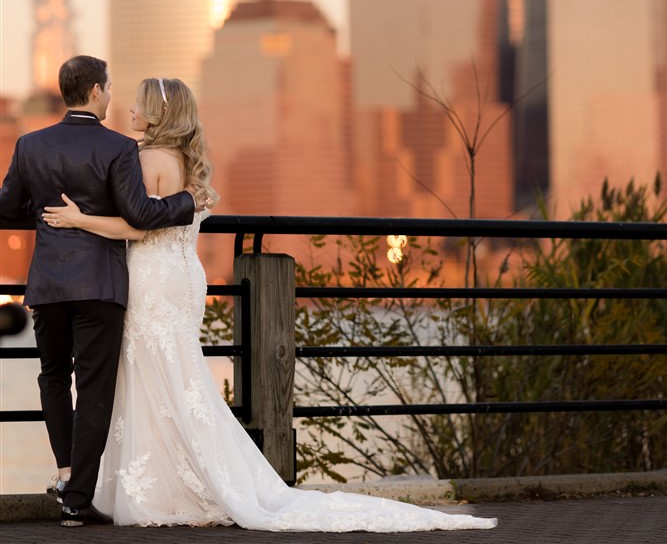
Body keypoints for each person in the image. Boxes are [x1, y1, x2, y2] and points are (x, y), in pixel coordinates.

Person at [43, 76, 497, 533]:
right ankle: (193, 476)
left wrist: (79, 218)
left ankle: (159, 486)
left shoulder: (144, 159)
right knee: (178, 376)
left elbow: (138, 226)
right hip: (185, 279)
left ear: (159, 114)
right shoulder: (188, 162)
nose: (131, 112)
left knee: (147, 374)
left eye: (139, 106)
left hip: (151, 279)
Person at [0, 57, 196, 529]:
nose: (112, 96)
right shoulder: (118, 148)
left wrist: (40, 207)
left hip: (48, 283)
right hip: (100, 287)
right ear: (93, 91)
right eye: (108, 87)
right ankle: (77, 500)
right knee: (93, 389)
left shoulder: (30, 145)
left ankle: (65, 471)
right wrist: (187, 202)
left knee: (51, 375)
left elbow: (7, 206)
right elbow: (140, 216)